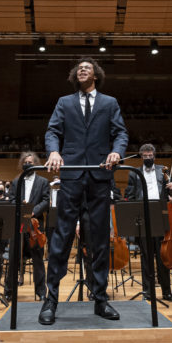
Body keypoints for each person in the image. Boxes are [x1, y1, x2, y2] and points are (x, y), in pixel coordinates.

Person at [40, 57, 128, 325]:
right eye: (79, 68)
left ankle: (100, 299)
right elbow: (52, 131)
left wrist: (116, 151)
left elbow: (120, 133)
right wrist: (54, 151)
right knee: (61, 238)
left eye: (87, 68)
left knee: (99, 240)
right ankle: (51, 300)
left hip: (100, 176)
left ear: (96, 75)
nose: (82, 70)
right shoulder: (64, 102)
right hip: (72, 176)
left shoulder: (109, 102)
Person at [124, 143, 172, 303]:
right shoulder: (134, 173)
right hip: (143, 214)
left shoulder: (163, 170)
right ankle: (147, 290)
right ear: (141, 157)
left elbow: (171, 191)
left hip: (161, 214)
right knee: (146, 256)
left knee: (163, 255)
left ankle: (166, 291)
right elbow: (130, 195)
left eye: (150, 156)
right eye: (145, 156)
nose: (148, 158)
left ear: (154, 156)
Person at [6, 152, 50, 301]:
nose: (27, 164)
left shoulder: (43, 181)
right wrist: (21, 208)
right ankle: (9, 290)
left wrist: (33, 211)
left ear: (36, 164)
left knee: (38, 259)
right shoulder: (16, 181)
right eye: (25, 162)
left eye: (30, 162)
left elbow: (46, 200)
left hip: (35, 224)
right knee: (14, 258)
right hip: (18, 223)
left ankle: (41, 291)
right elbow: (12, 199)